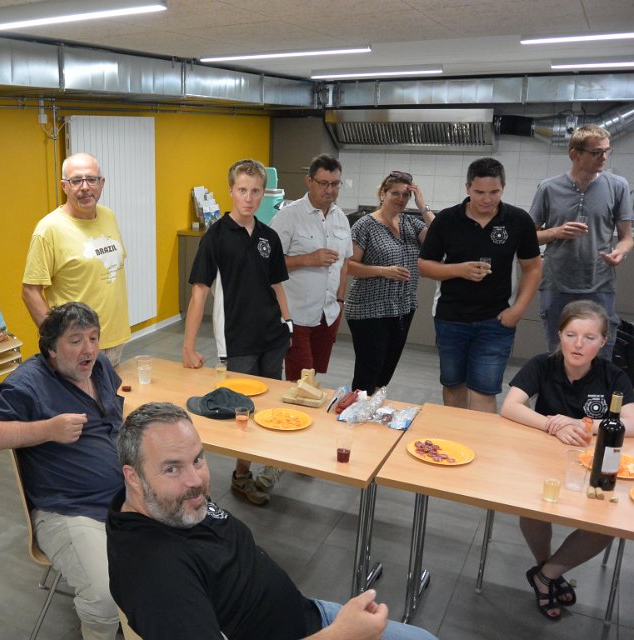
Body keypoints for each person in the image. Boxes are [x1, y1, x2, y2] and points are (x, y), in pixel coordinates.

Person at [107, 401, 438, 640]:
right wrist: (341, 634)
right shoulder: (155, 573)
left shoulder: (164, 502)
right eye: (172, 468)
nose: (195, 480)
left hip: (307, 616)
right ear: (133, 477)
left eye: (197, 459)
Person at [0, 302, 121, 640]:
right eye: (76, 340)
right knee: (103, 596)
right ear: (51, 349)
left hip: (123, 497)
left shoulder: (99, 367)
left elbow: (114, 420)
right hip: (69, 509)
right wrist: (48, 429)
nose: (89, 349)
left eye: (94, 338)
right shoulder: (29, 383)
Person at [500, 300, 634, 620]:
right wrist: (552, 425)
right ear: (559, 335)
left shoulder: (613, 375)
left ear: (603, 341)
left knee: (604, 526)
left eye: (589, 338)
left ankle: (546, 575)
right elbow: (510, 406)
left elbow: (632, 422)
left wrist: (583, 425)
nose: (578, 344)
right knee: (532, 510)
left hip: (592, 464)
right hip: (544, 461)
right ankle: (547, 572)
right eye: (571, 335)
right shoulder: (542, 364)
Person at [182, 158, 292, 505]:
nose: (249, 197)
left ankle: (270, 460)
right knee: (243, 410)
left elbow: (277, 285)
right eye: (242, 190)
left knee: (270, 404)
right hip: (238, 341)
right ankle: (241, 475)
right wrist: (188, 347)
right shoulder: (215, 237)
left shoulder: (269, 236)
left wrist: (288, 323)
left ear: (263, 194)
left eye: (255, 191)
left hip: (273, 337)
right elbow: (199, 293)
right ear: (231, 191)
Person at [418, 158, 542, 413]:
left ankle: (479, 438)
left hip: (496, 321)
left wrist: (518, 310)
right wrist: (458, 270)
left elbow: (532, 267)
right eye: (479, 192)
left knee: (484, 389)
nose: (487, 199)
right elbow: (424, 266)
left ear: (503, 188)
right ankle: (455, 435)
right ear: (468, 188)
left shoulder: (518, 220)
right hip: (451, 318)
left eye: (494, 192)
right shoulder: (447, 220)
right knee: (453, 384)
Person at [529, 124, 634, 359]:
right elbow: (527, 237)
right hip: (557, 284)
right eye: (597, 152)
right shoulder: (548, 188)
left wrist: (619, 252)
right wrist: (556, 232)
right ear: (575, 154)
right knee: (559, 355)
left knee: (600, 356)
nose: (604, 157)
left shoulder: (618, 186)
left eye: (607, 151)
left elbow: (627, 237)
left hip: (599, 284)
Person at [22, 152, 130, 366]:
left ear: (101, 183)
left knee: (108, 388)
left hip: (114, 339)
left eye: (91, 179)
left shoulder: (108, 216)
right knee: (74, 390)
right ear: (64, 186)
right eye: (76, 180)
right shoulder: (49, 229)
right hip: (76, 347)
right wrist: (57, 340)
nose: (85, 187)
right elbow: (29, 291)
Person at [346, 171, 435, 395]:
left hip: (402, 309)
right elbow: (348, 266)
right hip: (369, 309)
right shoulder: (365, 225)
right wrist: (383, 271)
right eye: (395, 193)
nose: (400, 198)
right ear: (382, 194)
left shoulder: (410, 223)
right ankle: (355, 410)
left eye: (406, 195)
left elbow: (440, 237)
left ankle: (370, 409)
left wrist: (422, 205)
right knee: (368, 372)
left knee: (385, 373)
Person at [270, 154, 351, 380]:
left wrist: (340, 301)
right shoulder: (289, 216)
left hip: (328, 313)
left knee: (313, 375)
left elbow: (345, 263)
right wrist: (307, 259)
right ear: (309, 181)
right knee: (300, 377)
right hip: (296, 314)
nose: (330, 190)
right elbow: (268, 264)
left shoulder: (341, 218)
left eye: (335, 184)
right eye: (323, 183)